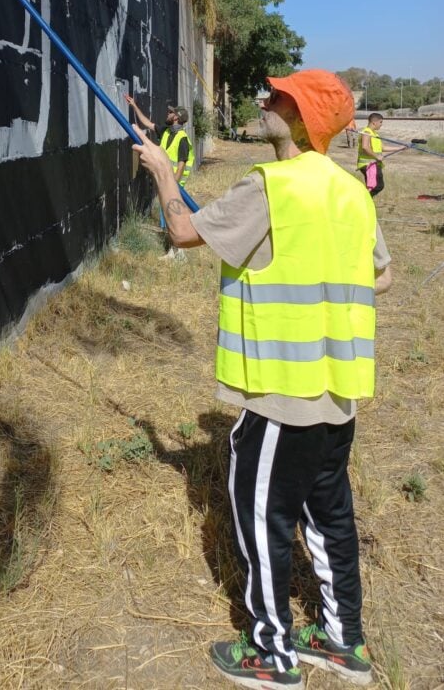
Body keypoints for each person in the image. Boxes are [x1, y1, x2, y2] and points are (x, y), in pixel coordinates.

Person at [132, 69, 392, 689]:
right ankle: (343, 643)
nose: (264, 101)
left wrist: (164, 174)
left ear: (302, 120)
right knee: (331, 518)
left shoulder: (271, 185)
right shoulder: (351, 192)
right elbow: (381, 276)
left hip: (282, 396)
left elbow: (183, 232)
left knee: (261, 517)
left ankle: (272, 656)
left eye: (277, 98)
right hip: (338, 396)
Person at [124, 95, 193, 249]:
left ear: (176, 117)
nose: (167, 114)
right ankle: (172, 250)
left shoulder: (182, 138)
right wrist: (134, 105)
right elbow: (147, 123)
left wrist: (172, 185)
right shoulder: (166, 131)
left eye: (170, 113)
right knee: (168, 216)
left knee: (175, 217)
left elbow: (181, 164)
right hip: (166, 182)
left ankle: (178, 252)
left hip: (174, 185)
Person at [357, 113, 406, 198]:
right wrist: (376, 156)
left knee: (374, 186)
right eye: (380, 122)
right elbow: (365, 147)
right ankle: (362, 200)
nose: (381, 124)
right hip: (368, 165)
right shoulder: (366, 132)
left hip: (373, 164)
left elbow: (382, 148)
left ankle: (365, 203)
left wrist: (399, 148)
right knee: (377, 186)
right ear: (374, 122)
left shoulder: (375, 134)